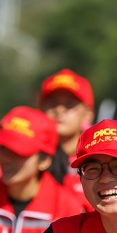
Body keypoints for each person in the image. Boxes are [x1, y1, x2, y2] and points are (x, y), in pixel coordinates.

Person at [37, 68, 95, 203]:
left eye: (69, 105)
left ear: (88, 113)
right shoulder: (27, 158)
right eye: (52, 103)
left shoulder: (99, 157)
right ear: (40, 108)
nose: (59, 110)